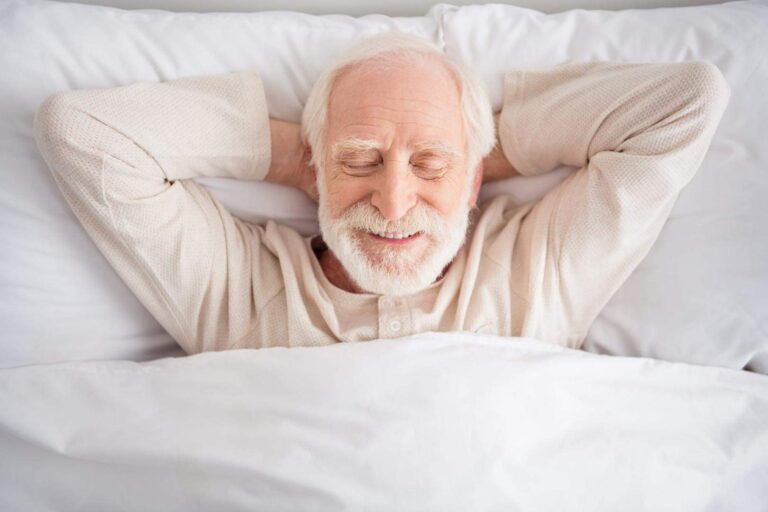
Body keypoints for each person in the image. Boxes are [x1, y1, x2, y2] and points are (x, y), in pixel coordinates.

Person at [33, 33, 730, 353]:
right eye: (360, 159)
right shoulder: (236, 293)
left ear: (476, 174)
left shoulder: (537, 271)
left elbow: (688, 100)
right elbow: (80, 131)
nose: (393, 202)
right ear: (317, 165)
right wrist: (297, 157)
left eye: (428, 165)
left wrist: (477, 153)